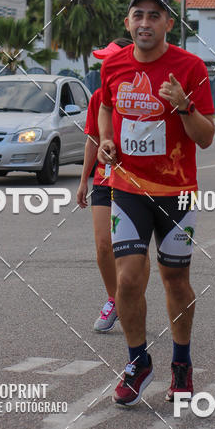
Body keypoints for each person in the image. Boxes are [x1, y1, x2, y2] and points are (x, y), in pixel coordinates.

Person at [98, 0, 215, 406]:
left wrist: (184, 107)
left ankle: (181, 363)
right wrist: (108, 140)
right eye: (138, 16)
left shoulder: (190, 67)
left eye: (154, 16)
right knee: (128, 279)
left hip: (177, 195)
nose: (145, 23)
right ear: (128, 24)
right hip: (129, 188)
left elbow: (206, 138)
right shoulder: (113, 65)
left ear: (168, 24)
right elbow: (107, 107)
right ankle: (137, 361)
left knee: (176, 281)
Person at [76, 38, 139, 332]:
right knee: (103, 247)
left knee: (129, 249)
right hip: (104, 178)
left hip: (136, 182)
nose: (105, 65)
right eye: (103, 61)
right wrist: (82, 180)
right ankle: (114, 299)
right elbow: (92, 139)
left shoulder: (141, 96)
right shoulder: (98, 96)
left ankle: (131, 298)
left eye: (110, 60)